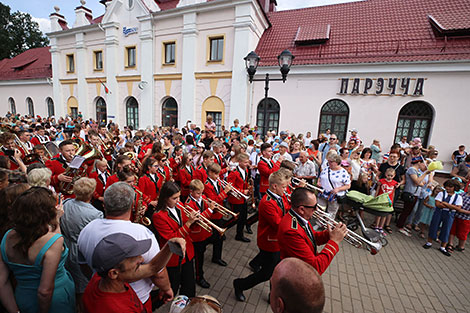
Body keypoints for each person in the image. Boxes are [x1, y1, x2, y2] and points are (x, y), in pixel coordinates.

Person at [78, 182, 174, 312]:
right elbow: (159, 274)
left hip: (100, 290)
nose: (139, 259)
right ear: (132, 205)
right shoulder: (143, 233)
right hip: (137, 299)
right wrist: (166, 288)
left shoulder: (87, 229)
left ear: (104, 205)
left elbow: (83, 265)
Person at [0, 187, 76, 313]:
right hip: (54, 301)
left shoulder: (8, 237)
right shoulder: (54, 241)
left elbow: (2, 281)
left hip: (23, 297)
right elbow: (44, 291)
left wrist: (14, 310)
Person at [82, 233, 185, 313]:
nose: (141, 259)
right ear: (113, 273)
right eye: (134, 258)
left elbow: (152, 267)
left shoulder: (101, 278)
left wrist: (169, 246)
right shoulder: (117, 309)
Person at [233, 171, 290, 302]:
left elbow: (286, 207)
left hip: (277, 241)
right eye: (284, 187)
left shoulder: (279, 196)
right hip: (270, 242)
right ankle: (240, 284)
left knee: (276, 270)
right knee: (266, 274)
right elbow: (278, 224)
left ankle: (273, 295)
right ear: (274, 186)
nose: (285, 190)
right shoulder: (267, 202)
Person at [277, 187, 347, 275]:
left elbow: (312, 238)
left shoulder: (300, 218)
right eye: (314, 207)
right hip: (295, 276)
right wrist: (334, 241)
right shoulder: (291, 232)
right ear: (302, 209)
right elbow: (315, 268)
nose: (317, 209)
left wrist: (329, 234)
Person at [60, 177, 103, 308]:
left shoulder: (66, 203)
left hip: (65, 247)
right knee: (82, 286)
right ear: (91, 193)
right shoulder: (96, 214)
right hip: (81, 251)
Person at [153, 181, 197, 298]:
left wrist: (195, 220)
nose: (178, 200)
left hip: (187, 252)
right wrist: (189, 223)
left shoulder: (179, 206)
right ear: (165, 198)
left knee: (189, 285)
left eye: (178, 197)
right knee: (173, 287)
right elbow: (173, 237)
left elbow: (185, 223)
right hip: (173, 257)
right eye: (174, 198)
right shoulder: (158, 215)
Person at [185, 179, 215, 289]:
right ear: (191, 191)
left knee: (201, 253)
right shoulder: (188, 204)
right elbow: (198, 220)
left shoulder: (202, 198)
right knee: (198, 258)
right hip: (196, 235)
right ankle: (199, 277)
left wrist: (211, 206)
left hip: (203, 234)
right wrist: (210, 210)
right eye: (198, 193)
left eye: (202, 193)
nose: (201, 195)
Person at [423, 180, 463, 256]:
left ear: (455, 187)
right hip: (439, 212)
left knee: (446, 228)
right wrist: (452, 206)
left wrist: (445, 203)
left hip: (450, 214)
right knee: (434, 226)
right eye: (446, 186)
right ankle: (429, 242)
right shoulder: (441, 193)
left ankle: (443, 247)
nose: (448, 188)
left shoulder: (458, 197)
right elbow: (438, 204)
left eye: (450, 187)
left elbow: (458, 208)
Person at [397, 157, 432, 236]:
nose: (425, 165)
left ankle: (401, 225)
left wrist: (420, 180)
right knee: (406, 211)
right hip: (410, 193)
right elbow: (417, 182)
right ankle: (400, 226)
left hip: (415, 193)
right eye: (424, 163)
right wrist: (425, 174)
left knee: (409, 210)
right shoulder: (412, 170)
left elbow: (422, 183)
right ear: (419, 162)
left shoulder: (416, 171)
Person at [317, 153, 351, 218]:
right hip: (322, 193)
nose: (329, 163)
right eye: (328, 161)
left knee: (331, 212)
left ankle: (328, 225)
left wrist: (338, 189)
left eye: (331, 162)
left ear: (337, 162)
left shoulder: (343, 172)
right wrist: (319, 182)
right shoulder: (326, 169)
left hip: (334, 196)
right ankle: (319, 223)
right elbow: (320, 177)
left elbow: (348, 185)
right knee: (320, 209)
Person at [227, 153, 251, 242]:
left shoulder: (246, 170)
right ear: (239, 162)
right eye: (245, 162)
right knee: (235, 219)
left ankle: (239, 235)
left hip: (243, 198)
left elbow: (244, 182)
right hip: (236, 199)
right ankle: (223, 228)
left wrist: (248, 188)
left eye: (247, 162)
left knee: (243, 217)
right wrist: (242, 191)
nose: (247, 164)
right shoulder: (234, 173)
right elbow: (230, 187)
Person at [448, 187, 470, 252]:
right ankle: (450, 243)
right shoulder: (462, 194)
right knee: (452, 229)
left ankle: (461, 246)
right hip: (456, 215)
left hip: (465, 218)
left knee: (463, 233)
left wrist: (461, 210)